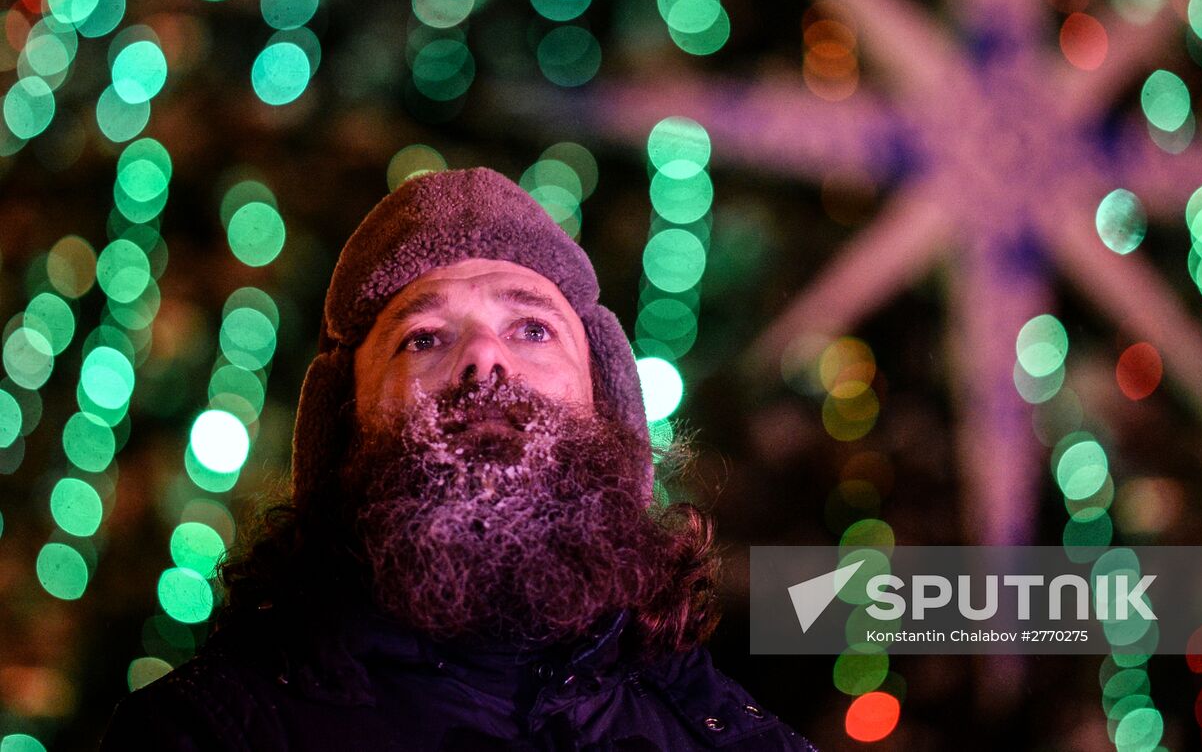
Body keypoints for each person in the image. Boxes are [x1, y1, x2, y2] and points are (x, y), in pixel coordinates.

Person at [101, 168, 812, 751]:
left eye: (533, 328)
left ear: (606, 404)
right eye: (423, 337)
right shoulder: (203, 735)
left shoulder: (721, 727)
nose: (483, 358)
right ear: (347, 429)